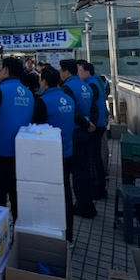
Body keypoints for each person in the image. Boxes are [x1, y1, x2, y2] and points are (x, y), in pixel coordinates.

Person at [0, 57, 34, 220]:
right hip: (22, 154)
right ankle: (19, 236)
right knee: (18, 198)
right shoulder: (29, 93)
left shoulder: (0, 91)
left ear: (5, 71)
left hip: (0, 153)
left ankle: (0, 239)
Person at [32, 66, 75, 242]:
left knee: (49, 196)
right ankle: (68, 236)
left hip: (49, 158)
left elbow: (36, 131)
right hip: (67, 152)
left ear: (44, 82)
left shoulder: (43, 102)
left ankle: (51, 237)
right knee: (65, 194)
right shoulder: (69, 99)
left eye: (41, 80)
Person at [59, 59, 98, 218]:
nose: (60, 74)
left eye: (61, 71)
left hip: (75, 132)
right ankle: (88, 203)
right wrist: (92, 124)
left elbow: (70, 111)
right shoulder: (86, 86)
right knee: (85, 169)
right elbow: (95, 108)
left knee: (77, 172)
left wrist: (85, 123)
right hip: (88, 132)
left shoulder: (67, 87)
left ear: (66, 72)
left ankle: (82, 205)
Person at [77, 59, 109, 199]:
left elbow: (91, 105)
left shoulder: (91, 84)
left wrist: (89, 123)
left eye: (79, 71)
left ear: (87, 71)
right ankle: (99, 186)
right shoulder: (96, 81)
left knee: (94, 157)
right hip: (99, 123)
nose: (78, 74)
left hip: (95, 125)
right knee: (95, 157)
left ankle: (98, 188)